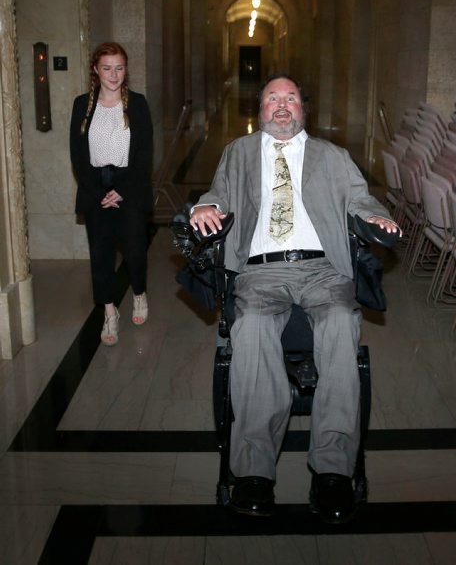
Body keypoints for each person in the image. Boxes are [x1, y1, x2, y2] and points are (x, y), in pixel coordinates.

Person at [190, 75, 399, 523]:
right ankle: (253, 471)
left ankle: (333, 469)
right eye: (272, 99)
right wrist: (201, 208)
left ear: (303, 109)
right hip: (261, 269)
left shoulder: (333, 156)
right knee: (252, 326)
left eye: (289, 100)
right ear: (260, 107)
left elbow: (363, 202)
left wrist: (379, 219)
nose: (281, 107)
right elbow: (217, 195)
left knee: (342, 320)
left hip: (322, 268)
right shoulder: (239, 152)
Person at [70, 42, 153, 346]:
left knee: (133, 251)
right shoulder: (83, 105)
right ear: (96, 69)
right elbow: (77, 155)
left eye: (119, 67)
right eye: (107, 68)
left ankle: (140, 294)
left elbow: (144, 155)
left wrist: (120, 190)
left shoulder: (138, 104)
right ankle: (109, 313)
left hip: (129, 185)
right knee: (101, 257)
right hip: (95, 187)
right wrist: (99, 191)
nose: (114, 74)